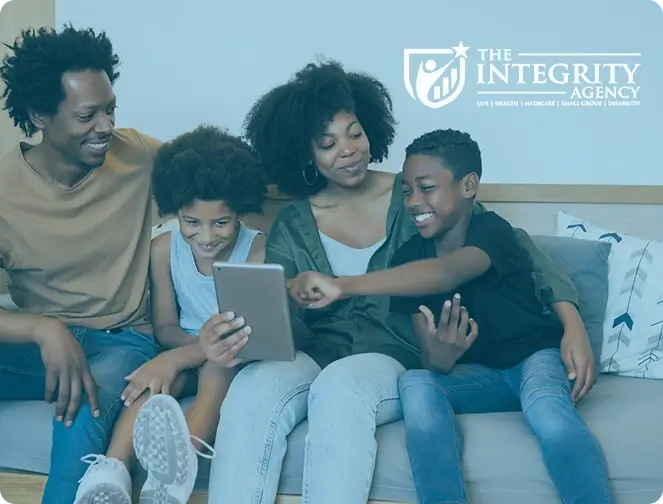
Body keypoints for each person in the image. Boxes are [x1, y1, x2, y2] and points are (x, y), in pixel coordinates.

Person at [208, 60, 586, 504]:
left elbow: (517, 251)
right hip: (315, 352)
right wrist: (258, 321)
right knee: (251, 387)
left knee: (342, 384)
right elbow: (285, 321)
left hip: (395, 353)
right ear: (305, 154)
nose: (348, 150)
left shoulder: (415, 195)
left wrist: (573, 323)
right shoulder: (293, 222)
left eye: (355, 133)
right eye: (327, 144)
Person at [291, 129, 610, 504]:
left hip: (533, 360)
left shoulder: (492, 231)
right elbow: (431, 361)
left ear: (468, 186)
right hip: (482, 378)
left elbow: (449, 271)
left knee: (547, 410)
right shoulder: (408, 256)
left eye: (427, 188)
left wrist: (343, 285)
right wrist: (443, 354)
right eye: (407, 191)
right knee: (417, 384)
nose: (414, 201)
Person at [0, 25, 163, 504]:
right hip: (42, 351)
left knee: (80, 409)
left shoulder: (139, 157)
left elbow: (224, 174)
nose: (106, 127)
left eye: (110, 109)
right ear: (39, 116)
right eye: (87, 115)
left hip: (122, 341)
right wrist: (44, 329)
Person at [74, 125, 266, 504]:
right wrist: (181, 355)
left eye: (221, 223)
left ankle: (175, 476)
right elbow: (164, 327)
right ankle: (111, 470)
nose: (207, 236)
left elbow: (243, 338)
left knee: (216, 366)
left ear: (239, 213)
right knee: (154, 383)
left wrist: (191, 354)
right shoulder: (163, 249)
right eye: (192, 222)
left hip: (235, 357)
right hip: (189, 346)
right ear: (175, 211)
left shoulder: (257, 251)